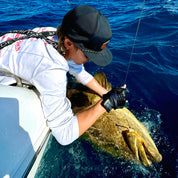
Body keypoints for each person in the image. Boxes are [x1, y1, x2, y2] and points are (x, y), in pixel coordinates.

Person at [0, 5, 128, 145]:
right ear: (68, 43)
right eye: (88, 55)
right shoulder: (52, 72)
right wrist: (107, 104)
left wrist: (106, 94)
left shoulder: (53, 34)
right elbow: (64, 135)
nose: (91, 59)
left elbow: (78, 71)